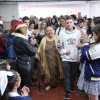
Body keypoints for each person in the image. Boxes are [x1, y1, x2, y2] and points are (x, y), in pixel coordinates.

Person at [58, 16, 81, 99]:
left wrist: (79, 55)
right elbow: (58, 46)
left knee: (73, 74)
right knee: (67, 75)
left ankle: (71, 86)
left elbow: (79, 45)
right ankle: (68, 91)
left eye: (70, 22)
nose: (69, 24)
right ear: (65, 23)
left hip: (74, 58)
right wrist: (64, 51)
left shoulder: (78, 32)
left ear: (73, 22)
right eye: (67, 22)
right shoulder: (62, 33)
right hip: (65, 58)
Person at [37, 26, 63, 91]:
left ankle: (56, 82)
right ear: (46, 32)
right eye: (48, 31)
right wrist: (37, 54)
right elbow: (40, 48)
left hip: (57, 59)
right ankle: (49, 84)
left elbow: (62, 46)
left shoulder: (57, 37)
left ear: (53, 30)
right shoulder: (44, 39)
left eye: (51, 30)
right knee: (48, 72)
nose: (49, 32)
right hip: (47, 59)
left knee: (56, 71)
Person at [13, 21, 37, 87]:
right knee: (25, 81)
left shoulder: (17, 38)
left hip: (21, 61)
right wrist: (32, 44)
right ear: (22, 30)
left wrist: (29, 43)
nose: (26, 30)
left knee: (25, 78)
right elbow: (32, 51)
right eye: (25, 29)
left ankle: (28, 84)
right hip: (25, 62)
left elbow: (24, 47)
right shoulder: (22, 40)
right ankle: (26, 93)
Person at [81, 24, 100, 100]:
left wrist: (85, 43)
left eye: (94, 35)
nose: (93, 37)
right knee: (91, 96)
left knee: (93, 97)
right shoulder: (97, 44)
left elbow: (85, 56)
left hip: (94, 75)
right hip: (93, 73)